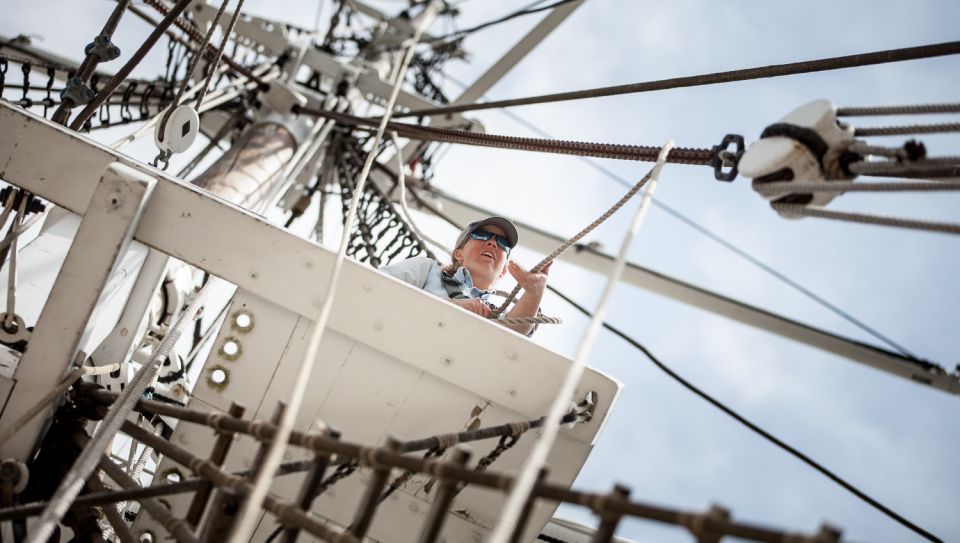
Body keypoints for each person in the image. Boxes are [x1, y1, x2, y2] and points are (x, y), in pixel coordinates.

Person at [380, 216, 551, 336]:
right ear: (459, 254)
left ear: (503, 271)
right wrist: (453, 306)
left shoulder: (500, 315)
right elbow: (380, 286)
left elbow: (513, 340)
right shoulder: (427, 269)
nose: (492, 242)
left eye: (503, 243)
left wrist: (534, 293)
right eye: (482, 235)